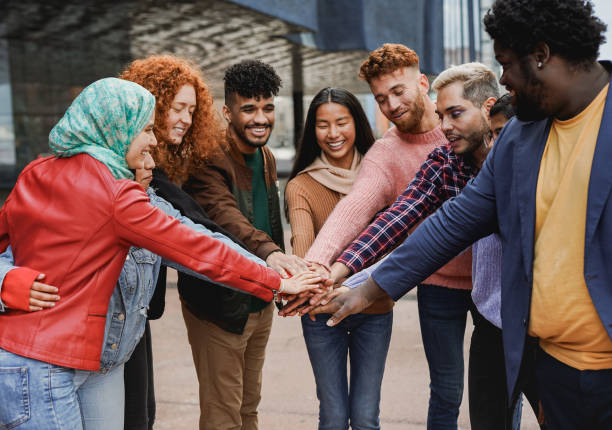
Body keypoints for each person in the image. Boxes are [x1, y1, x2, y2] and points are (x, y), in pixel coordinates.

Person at [319, 0, 612, 428]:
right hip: (554, 371)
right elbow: (451, 222)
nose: (505, 81)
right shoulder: (518, 138)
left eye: (507, 65)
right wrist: (370, 287)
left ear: (542, 55)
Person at [0, 78, 321, 430]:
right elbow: (197, 251)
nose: (154, 140)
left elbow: (196, 234)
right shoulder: (116, 194)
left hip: (71, 360)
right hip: (42, 367)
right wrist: (275, 281)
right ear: (116, 127)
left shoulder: (38, 171)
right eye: (146, 130)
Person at [301, 44, 472, 429]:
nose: (391, 104)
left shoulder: (461, 129)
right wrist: (317, 267)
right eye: (381, 98)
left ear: (423, 82)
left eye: (399, 91)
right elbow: (359, 211)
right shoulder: (386, 153)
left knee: (497, 384)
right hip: (438, 282)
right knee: (446, 389)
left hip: (492, 279)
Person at [119, 55, 264, 430]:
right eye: (176, 107)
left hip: (133, 312)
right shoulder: (133, 173)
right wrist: (270, 269)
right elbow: (194, 228)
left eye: (191, 110)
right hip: (112, 314)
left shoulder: (160, 167)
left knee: (141, 414)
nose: (184, 118)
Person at [180, 59, 308, 430]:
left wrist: (278, 276)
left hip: (258, 298)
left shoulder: (265, 156)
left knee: (248, 406)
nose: (260, 118)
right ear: (227, 111)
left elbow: (267, 217)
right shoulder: (208, 157)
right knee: (223, 414)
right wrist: (273, 255)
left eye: (267, 108)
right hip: (219, 306)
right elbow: (226, 216)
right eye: (248, 108)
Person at [285, 87, 393, 429]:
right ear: (312, 130)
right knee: (332, 416)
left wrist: (357, 289)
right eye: (322, 125)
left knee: (365, 417)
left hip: (373, 307)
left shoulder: (382, 177)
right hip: (319, 311)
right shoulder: (301, 185)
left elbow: (390, 245)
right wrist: (322, 288)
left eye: (341, 123)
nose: (333, 134)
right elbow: (304, 251)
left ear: (356, 124)